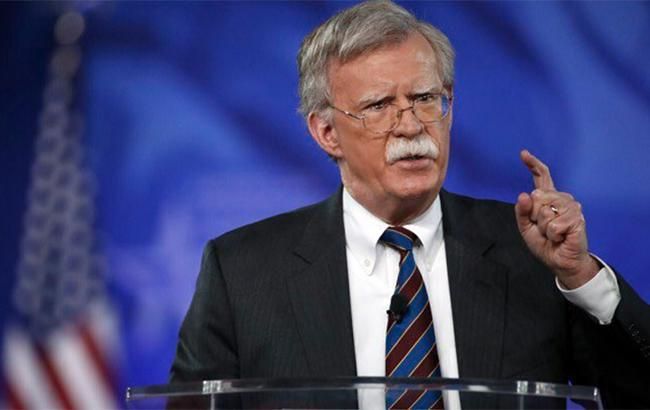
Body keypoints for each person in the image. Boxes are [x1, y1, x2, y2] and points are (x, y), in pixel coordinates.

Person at [170, 1, 650, 408]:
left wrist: (580, 276)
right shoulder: (243, 273)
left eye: (425, 98)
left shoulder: (531, 253)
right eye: (379, 106)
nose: (411, 125)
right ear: (327, 132)